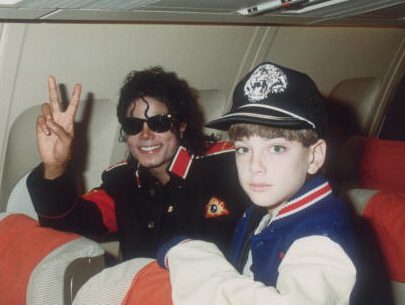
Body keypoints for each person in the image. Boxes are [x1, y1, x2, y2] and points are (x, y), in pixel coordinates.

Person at [157, 62, 359, 305]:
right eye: (243, 149)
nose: (255, 166)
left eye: (276, 148)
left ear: (314, 156)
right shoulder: (262, 210)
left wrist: (189, 254)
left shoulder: (320, 240)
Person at [26, 66, 249, 261]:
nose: (145, 135)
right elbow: (67, 222)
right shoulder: (123, 183)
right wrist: (55, 167)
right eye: (134, 125)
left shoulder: (229, 167)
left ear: (181, 125)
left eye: (159, 123)